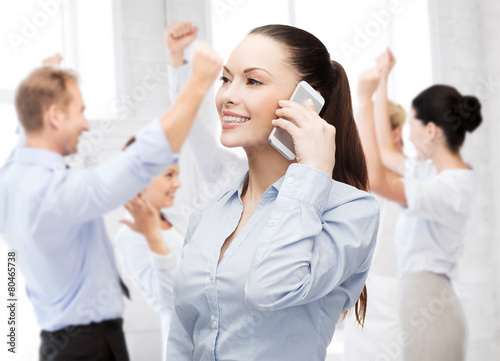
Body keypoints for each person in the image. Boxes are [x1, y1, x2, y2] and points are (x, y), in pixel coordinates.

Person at [166, 24, 380, 361]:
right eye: (225, 79)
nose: (227, 95)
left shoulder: (351, 211)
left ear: (308, 101)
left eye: (252, 81)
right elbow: (182, 336)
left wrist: (312, 171)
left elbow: (270, 288)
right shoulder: (208, 215)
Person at [0, 44, 222, 361]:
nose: (87, 124)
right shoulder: (58, 193)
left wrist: (40, 79)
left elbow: (29, 131)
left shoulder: (11, 176)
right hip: (89, 348)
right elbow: (141, 160)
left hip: (62, 344)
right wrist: (197, 84)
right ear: (54, 116)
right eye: (80, 111)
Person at [114, 22, 247, 361]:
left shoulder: (178, 217)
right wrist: (178, 62)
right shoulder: (131, 236)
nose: (178, 183)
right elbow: (173, 297)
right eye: (169, 175)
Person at [357, 49, 482, 361]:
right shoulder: (428, 172)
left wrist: (363, 101)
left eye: (412, 127)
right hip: (418, 296)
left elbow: (377, 179)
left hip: (430, 302)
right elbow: (385, 150)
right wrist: (383, 77)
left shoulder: (451, 188)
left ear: (431, 130)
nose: (409, 138)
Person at [344, 49, 405, 361]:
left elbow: (379, 152)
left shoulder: (408, 175)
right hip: (366, 302)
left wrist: (374, 91)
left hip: (398, 303)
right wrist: (381, 81)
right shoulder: (366, 180)